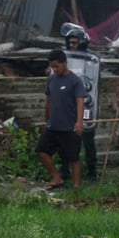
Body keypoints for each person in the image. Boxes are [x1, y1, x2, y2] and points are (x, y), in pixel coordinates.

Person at [37, 49, 85, 191]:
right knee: (41, 151)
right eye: (52, 66)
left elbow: (80, 102)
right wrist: (47, 119)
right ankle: (56, 177)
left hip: (69, 127)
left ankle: (76, 187)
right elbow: (48, 100)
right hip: (53, 125)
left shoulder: (75, 81)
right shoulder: (52, 79)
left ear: (65, 63)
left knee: (73, 158)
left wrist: (79, 122)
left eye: (57, 66)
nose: (54, 69)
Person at [60, 25, 98, 181]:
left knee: (88, 141)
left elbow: (92, 83)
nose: (71, 45)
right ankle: (65, 172)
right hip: (68, 105)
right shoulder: (65, 60)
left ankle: (92, 172)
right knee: (65, 140)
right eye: (70, 42)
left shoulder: (91, 61)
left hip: (86, 104)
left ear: (82, 42)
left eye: (74, 42)